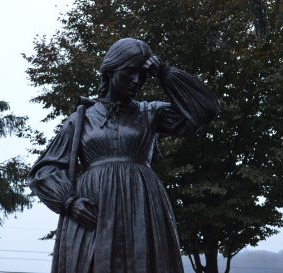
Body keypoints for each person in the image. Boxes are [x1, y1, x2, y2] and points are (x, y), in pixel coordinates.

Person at [27, 38, 220, 273]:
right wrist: (68, 202)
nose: (137, 80)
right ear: (110, 71)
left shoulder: (151, 113)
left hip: (142, 205)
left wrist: (165, 73)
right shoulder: (81, 119)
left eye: (142, 74)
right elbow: (44, 171)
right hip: (94, 212)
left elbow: (205, 108)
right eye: (129, 72)